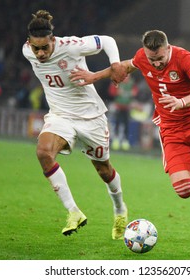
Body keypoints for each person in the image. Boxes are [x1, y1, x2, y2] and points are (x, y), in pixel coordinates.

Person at [71, 30, 190, 252]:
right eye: (151, 59)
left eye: (160, 58)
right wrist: (93, 77)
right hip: (172, 131)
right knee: (183, 190)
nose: (155, 63)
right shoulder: (143, 57)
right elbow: (124, 66)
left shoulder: (184, 58)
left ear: (168, 48)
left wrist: (181, 102)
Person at [22, 10, 128, 239]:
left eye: (45, 48)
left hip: (91, 117)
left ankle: (120, 209)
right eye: (36, 48)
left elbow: (107, 41)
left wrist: (115, 64)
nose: (40, 53)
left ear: (53, 40)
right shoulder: (26, 51)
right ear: (29, 43)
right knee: (43, 152)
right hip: (60, 116)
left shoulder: (71, 46)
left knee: (103, 169)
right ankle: (73, 212)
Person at [108, 74, 138, 151]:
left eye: (128, 76)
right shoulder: (117, 83)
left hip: (127, 107)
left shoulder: (131, 83)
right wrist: (117, 91)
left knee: (126, 124)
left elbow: (135, 92)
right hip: (118, 106)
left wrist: (130, 94)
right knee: (117, 123)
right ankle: (116, 140)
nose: (126, 78)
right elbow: (111, 92)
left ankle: (125, 141)